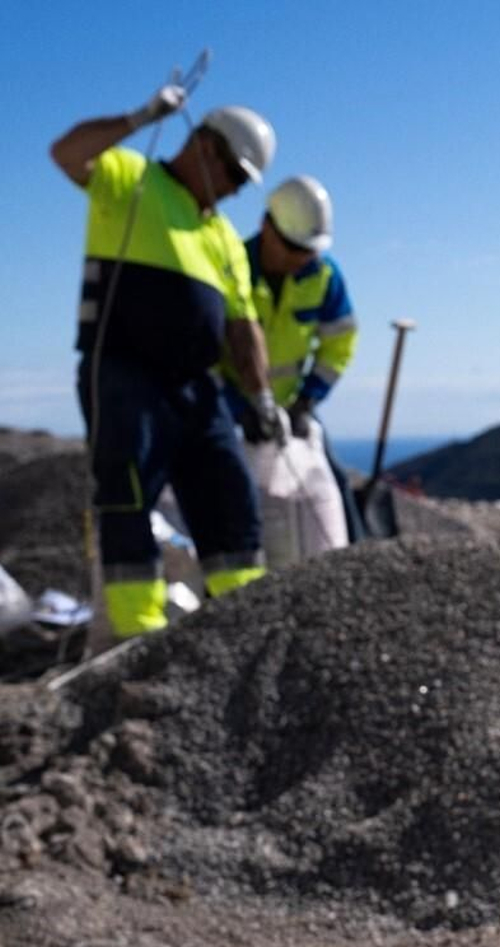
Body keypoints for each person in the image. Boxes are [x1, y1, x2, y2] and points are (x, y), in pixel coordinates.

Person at [50, 84, 286, 640]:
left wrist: (261, 397)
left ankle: (242, 626)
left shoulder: (222, 236)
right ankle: (139, 638)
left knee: (230, 495)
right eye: (232, 175)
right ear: (204, 146)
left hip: (196, 387)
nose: (231, 192)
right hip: (124, 374)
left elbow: (242, 325)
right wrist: (140, 115)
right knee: (127, 494)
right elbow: (67, 154)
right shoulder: (129, 179)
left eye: (240, 183)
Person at [223, 175, 363, 540]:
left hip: (290, 408)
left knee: (332, 488)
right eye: (295, 249)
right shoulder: (231, 270)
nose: (302, 260)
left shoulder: (325, 276)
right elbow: (203, 353)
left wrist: (307, 400)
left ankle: (358, 562)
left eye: (309, 252)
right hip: (230, 412)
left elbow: (339, 344)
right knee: (228, 498)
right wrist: (238, 409)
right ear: (267, 228)